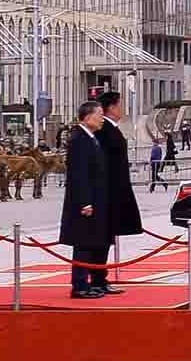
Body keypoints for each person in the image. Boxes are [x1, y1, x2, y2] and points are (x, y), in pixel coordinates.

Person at [60, 101, 114, 299]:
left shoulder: (91, 138)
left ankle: (93, 282)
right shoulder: (79, 139)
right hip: (84, 203)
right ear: (88, 116)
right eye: (99, 114)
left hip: (96, 199)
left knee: (93, 242)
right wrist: (85, 202)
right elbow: (79, 174)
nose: (102, 119)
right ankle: (80, 285)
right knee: (83, 244)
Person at [93, 89, 145, 287]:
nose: (122, 109)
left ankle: (100, 278)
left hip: (115, 190)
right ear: (111, 108)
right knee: (101, 237)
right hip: (109, 192)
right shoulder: (104, 131)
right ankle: (98, 278)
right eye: (119, 105)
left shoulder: (112, 129)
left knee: (107, 236)